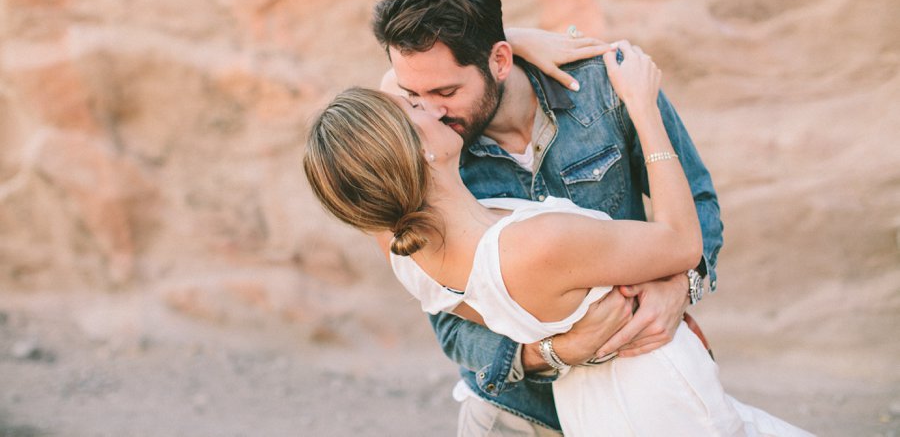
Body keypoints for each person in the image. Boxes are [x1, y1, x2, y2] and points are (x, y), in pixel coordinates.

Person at [301, 45, 813, 435]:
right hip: (652, 395)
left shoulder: (400, 246)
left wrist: (510, 44)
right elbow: (683, 242)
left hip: (591, 411)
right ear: (416, 154)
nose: (430, 109)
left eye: (434, 95)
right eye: (415, 110)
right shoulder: (537, 243)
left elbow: (383, 107)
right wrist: (643, 107)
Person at [370, 0, 723, 434]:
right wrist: (549, 352)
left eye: (446, 91)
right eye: (413, 94)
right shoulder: (421, 152)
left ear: (499, 60)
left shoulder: (610, 88)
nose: (429, 111)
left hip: (637, 402)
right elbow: (447, 317)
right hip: (514, 415)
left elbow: (697, 202)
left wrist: (682, 288)